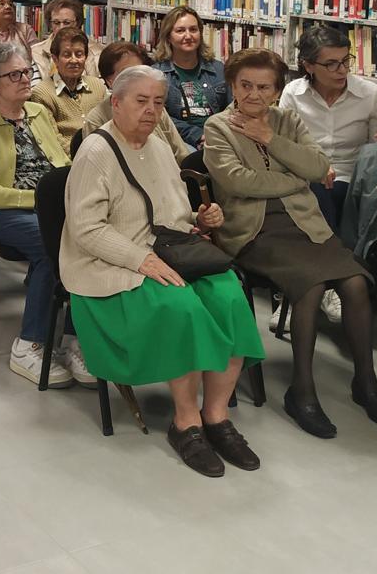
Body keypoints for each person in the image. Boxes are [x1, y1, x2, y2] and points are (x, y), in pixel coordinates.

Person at [62, 65, 264, 477]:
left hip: (166, 250)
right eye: (141, 101)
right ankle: (185, 422)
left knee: (228, 295)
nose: (151, 111)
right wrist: (140, 260)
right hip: (108, 264)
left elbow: (170, 211)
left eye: (158, 102)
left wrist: (199, 219)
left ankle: (216, 416)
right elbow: (85, 229)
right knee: (181, 306)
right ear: (115, 104)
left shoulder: (156, 145)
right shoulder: (95, 152)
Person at [204, 48, 377, 439]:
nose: (254, 95)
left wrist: (270, 138)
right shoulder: (217, 127)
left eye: (264, 87)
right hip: (254, 230)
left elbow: (316, 165)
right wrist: (297, 179)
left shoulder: (286, 121)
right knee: (308, 288)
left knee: (356, 283)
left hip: (306, 225)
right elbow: (239, 182)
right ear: (232, 86)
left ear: (277, 90)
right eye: (245, 86)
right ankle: (301, 391)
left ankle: (366, 382)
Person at [0, 43, 79, 386]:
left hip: (48, 204)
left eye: (27, 72)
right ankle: (29, 345)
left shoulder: (38, 112)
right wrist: (38, 200)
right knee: (50, 243)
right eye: (15, 74)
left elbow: (60, 163)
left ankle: (73, 339)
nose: (25, 79)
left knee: (88, 237)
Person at [280, 25, 377, 231]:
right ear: (308, 66)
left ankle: (334, 253)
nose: (343, 70)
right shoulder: (293, 93)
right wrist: (315, 167)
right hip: (308, 173)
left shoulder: (369, 93)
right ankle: (335, 253)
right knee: (317, 191)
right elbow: (285, 146)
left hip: (353, 176)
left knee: (336, 193)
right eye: (332, 64)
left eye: (346, 60)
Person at [83, 42, 191, 163]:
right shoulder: (96, 119)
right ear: (110, 81)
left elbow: (181, 154)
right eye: (129, 74)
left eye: (141, 72)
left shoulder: (156, 106)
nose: (138, 80)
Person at [153, 5, 229, 148]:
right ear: (168, 36)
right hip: (180, 140)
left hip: (219, 137)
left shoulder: (219, 69)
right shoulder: (156, 75)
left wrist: (218, 135)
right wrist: (197, 135)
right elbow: (161, 118)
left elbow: (232, 108)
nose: (188, 36)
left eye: (193, 30)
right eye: (180, 31)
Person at [28, 28, 107, 144]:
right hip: (66, 159)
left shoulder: (98, 86)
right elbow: (52, 139)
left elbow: (109, 127)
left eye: (79, 54)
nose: (74, 60)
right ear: (55, 59)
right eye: (67, 55)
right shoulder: (42, 93)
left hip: (100, 154)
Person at [30, 0, 100, 80]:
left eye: (67, 23)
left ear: (78, 23)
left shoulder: (97, 53)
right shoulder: (35, 52)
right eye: (56, 23)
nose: (61, 27)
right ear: (50, 24)